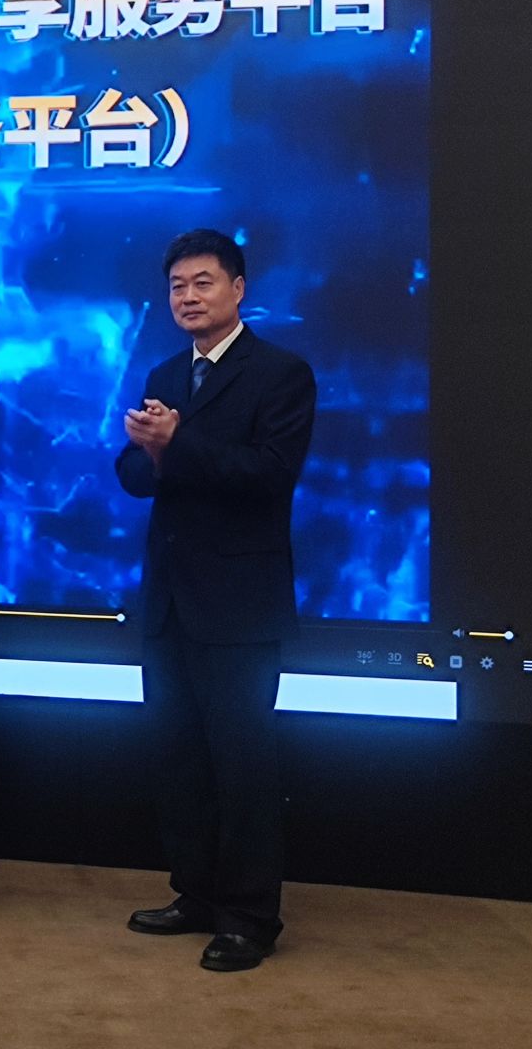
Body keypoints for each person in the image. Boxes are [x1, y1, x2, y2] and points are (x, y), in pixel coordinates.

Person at [116, 228, 317, 972]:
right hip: (170, 599)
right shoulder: (167, 372)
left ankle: (249, 918)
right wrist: (151, 450)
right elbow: (133, 476)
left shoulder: (281, 373)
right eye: (177, 286)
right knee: (179, 761)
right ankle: (195, 893)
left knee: (242, 767)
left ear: (238, 289)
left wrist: (178, 445)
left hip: (239, 604)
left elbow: (271, 474)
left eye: (203, 282)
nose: (188, 297)